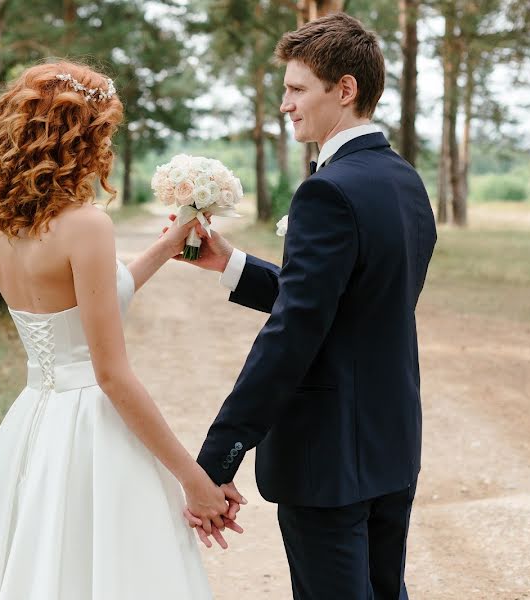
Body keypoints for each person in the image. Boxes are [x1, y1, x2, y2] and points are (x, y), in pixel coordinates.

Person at [0, 61, 243, 600]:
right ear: (81, 136)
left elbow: (77, 310)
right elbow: (111, 375)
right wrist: (191, 478)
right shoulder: (87, 225)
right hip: (91, 430)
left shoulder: (1, 226)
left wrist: (168, 248)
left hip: (35, 416)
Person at [172, 13, 438, 600]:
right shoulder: (404, 181)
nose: (286, 105)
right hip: (390, 440)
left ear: (344, 90)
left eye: (297, 90)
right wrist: (232, 266)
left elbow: (295, 333)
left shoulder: (328, 190)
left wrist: (217, 459)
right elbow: (347, 304)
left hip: (328, 456)